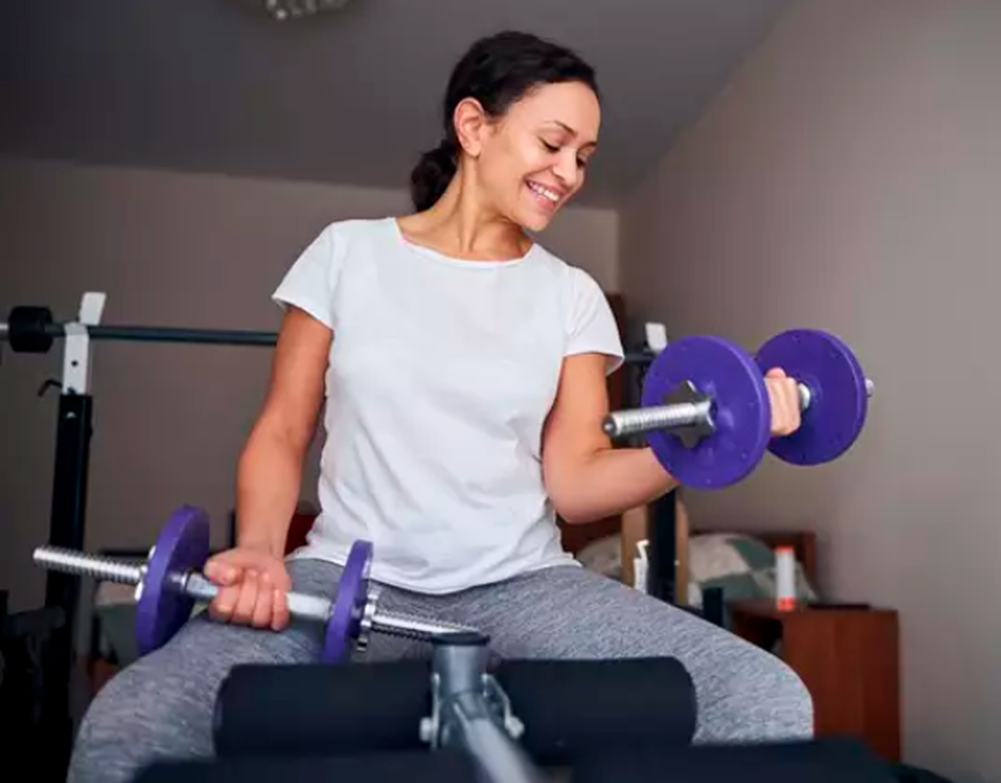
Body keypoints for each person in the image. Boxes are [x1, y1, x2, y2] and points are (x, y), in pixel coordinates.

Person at [68, 30, 813, 783]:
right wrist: (262, 549)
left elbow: (578, 480)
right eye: (554, 143)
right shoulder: (347, 254)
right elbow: (283, 429)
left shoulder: (570, 296)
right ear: (473, 127)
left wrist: (713, 442)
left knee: (759, 693)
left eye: (584, 157)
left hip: (526, 589)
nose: (570, 173)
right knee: (136, 718)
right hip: (345, 574)